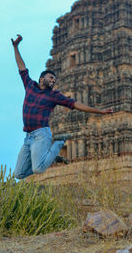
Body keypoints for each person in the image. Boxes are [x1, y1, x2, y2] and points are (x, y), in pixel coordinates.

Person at [12, 34, 113, 180]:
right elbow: (22, 67)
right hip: (28, 137)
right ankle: (51, 158)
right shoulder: (30, 85)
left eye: (55, 80)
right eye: (51, 78)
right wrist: (15, 47)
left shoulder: (54, 95)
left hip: (41, 134)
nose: (53, 81)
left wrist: (99, 111)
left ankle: (59, 143)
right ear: (42, 78)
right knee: (18, 174)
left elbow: (75, 104)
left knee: (38, 168)